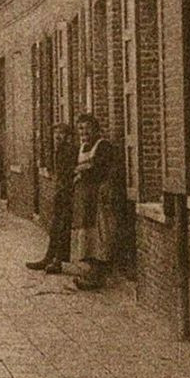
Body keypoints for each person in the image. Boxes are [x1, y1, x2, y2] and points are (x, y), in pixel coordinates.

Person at [69, 112, 123, 291]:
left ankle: (97, 275)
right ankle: (89, 271)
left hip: (98, 198)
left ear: (95, 129)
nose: (83, 132)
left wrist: (82, 171)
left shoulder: (103, 146)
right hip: (84, 199)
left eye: (86, 128)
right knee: (86, 233)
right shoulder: (83, 147)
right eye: (80, 129)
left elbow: (100, 169)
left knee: (99, 234)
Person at [26, 123, 77, 273]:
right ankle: (50, 257)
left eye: (61, 134)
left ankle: (57, 261)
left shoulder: (70, 150)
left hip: (69, 193)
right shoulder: (59, 151)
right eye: (56, 134)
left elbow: (70, 172)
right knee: (56, 226)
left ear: (67, 136)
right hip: (61, 192)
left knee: (62, 227)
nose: (57, 137)